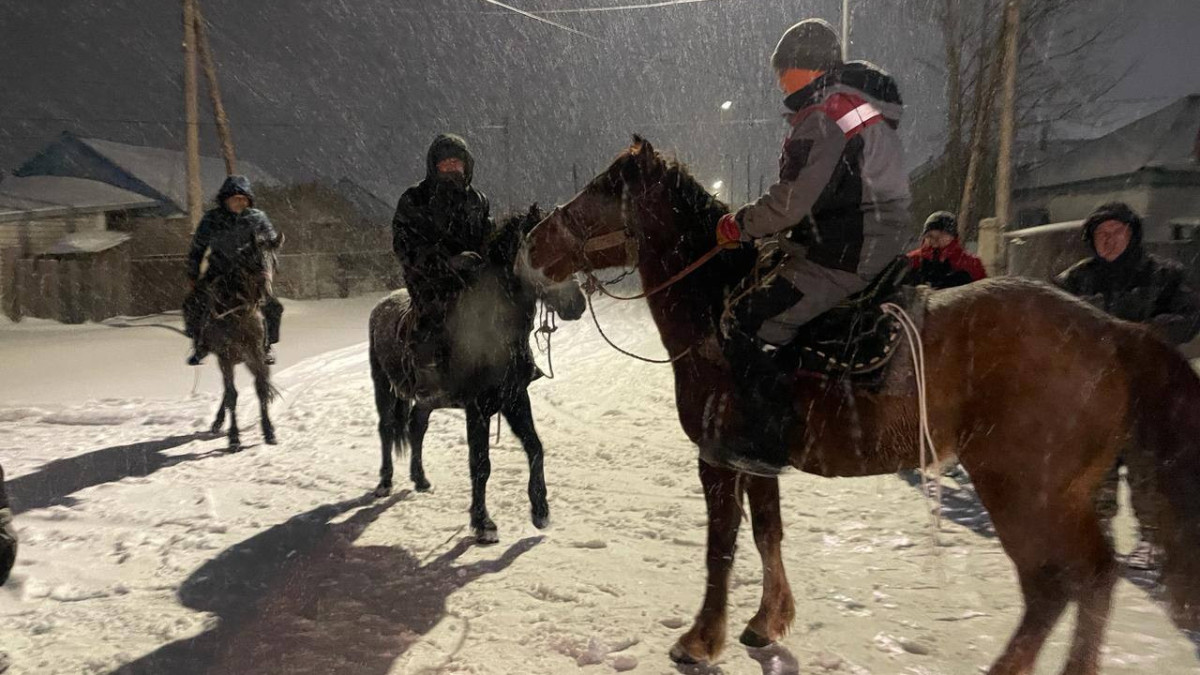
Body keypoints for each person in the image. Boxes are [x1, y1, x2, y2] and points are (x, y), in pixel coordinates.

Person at [708, 18, 911, 475]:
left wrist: (740, 224)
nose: (780, 80)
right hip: (869, 231)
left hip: (850, 245)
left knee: (750, 320)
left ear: (805, 68)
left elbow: (792, 201)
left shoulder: (824, 114)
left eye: (784, 70)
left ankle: (767, 443)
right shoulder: (853, 104)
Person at [1055, 201, 1200, 570]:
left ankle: (1152, 540)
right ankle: (1096, 536)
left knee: (1148, 469)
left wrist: (1145, 334)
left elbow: (1189, 317)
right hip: (1093, 397)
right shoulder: (1074, 281)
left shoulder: (1163, 276)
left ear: (1133, 234)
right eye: (1101, 234)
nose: (1109, 240)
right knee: (1093, 470)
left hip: (1148, 393)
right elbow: (1051, 326)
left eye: (1117, 231)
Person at [391, 134, 495, 393]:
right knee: (434, 317)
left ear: (466, 165)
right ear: (434, 166)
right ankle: (426, 377)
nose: (451, 168)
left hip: (473, 277)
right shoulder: (414, 199)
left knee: (505, 310)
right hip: (430, 279)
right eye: (445, 164)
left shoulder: (478, 200)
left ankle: (514, 367)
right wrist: (446, 263)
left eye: (456, 163)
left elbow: (487, 237)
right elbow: (404, 246)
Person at [183, 175, 284, 366]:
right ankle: (200, 343)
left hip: (250, 273)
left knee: (273, 307)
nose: (239, 202)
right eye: (235, 198)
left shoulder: (257, 218)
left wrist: (268, 249)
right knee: (193, 303)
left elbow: (270, 241)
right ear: (225, 199)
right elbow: (198, 247)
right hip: (219, 270)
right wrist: (193, 273)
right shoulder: (212, 219)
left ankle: (267, 345)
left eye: (243, 198)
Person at [906, 211, 986, 289]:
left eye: (941, 235)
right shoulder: (914, 259)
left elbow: (983, 294)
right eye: (930, 236)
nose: (935, 240)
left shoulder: (970, 263)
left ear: (952, 237)